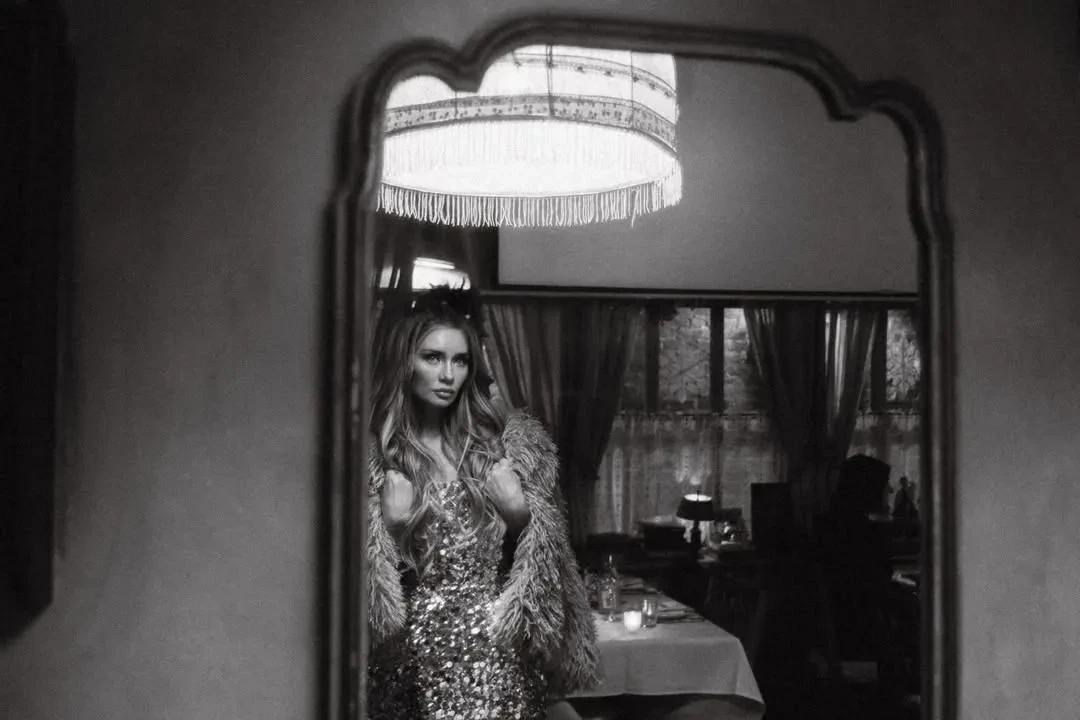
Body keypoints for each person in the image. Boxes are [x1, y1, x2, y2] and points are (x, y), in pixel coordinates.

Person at [365, 286, 599, 720]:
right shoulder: (374, 460)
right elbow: (356, 604)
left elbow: (551, 578)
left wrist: (520, 515)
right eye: (432, 357)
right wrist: (390, 527)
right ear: (405, 362)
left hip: (498, 663)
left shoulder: (500, 451)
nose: (448, 374)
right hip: (408, 669)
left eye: (460, 361)